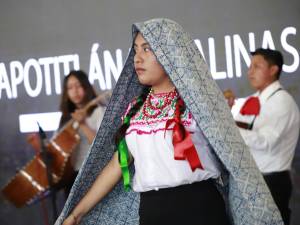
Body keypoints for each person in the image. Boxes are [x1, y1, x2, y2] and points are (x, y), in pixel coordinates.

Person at [56, 19, 283, 225]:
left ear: (170, 52)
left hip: (198, 209)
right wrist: (77, 213)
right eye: (135, 50)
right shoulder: (135, 108)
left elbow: (235, 161)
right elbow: (118, 164)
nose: (138, 57)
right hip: (152, 212)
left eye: (147, 48)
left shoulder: (199, 101)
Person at [230, 48, 300, 225]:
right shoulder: (254, 99)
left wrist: (230, 129)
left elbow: (267, 142)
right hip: (254, 181)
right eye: (250, 66)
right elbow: (236, 122)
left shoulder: (282, 101)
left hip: (272, 183)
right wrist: (227, 109)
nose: (250, 72)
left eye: (256, 66)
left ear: (273, 70)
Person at [58, 70, 106, 197]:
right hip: (72, 177)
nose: (75, 91)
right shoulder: (66, 118)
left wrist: (83, 123)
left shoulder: (99, 111)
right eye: (70, 87)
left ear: (86, 86)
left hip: (93, 175)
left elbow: (102, 145)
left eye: (78, 85)